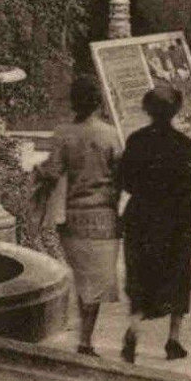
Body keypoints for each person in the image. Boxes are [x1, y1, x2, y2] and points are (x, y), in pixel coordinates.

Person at [32, 76, 121, 357]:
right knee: (95, 284)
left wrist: (36, 174)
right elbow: (121, 177)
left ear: (74, 102)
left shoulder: (63, 134)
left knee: (81, 278)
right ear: (99, 102)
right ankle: (85, 339)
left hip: (73, 216)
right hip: (104, 216)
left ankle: (82, 337)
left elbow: (52, 172)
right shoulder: (110, 135)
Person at [119, 82, 191, 364]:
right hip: (176, 220)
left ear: (147, 109)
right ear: (176, 110)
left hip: (141, 217)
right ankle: (173, 340)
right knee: (179, 277)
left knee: (139, 275)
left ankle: (133, 331)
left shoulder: (136, 140)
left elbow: (125, 181)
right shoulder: (184, 145)